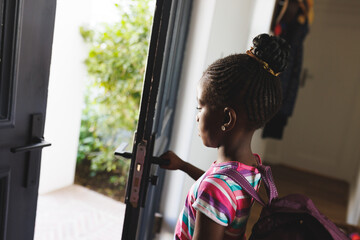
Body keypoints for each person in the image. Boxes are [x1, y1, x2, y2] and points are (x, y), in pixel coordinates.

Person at [160, 33, 290, 240]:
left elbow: (215, 192)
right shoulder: (251, 167)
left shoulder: (217, 188)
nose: (197, 117)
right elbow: (220, 192)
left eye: (200, 107)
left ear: (227, 118)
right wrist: (183, 165)